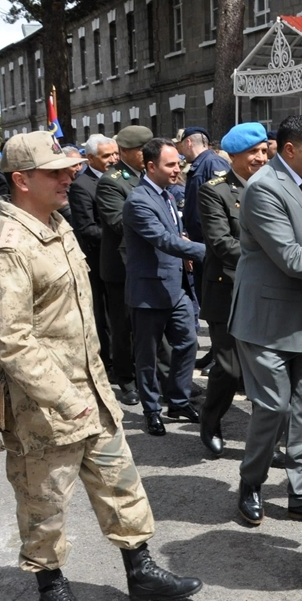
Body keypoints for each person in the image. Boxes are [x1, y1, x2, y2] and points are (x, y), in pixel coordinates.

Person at [0, 131, 201, 601]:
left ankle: (141, 571)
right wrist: (65, 398)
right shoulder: (5, 249)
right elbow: (11, 341)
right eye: (54, 172)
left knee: (121, 483)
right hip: (42, 403)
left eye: (68, 169)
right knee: (44, 499)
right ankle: (50, 584)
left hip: (90, 388)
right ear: (21, 180)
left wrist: (94, 385)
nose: (68, 177)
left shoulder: (56, 225)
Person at [230, 115, 302, 527]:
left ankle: (301, 494)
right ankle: (251, 482)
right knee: (273, 408)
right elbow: (293, 258)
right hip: (267, 321)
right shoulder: (264, 188)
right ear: (291, 149)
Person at [122, 138, 207, 436]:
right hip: (148, 291)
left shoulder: (167, 195)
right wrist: (206, 251)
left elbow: (175, 234)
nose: (176, 169)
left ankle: (178, 401)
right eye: (170, 165)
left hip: (176, 287)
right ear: (150, 166)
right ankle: (151, 410)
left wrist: (186, 249)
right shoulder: (138, 201)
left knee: (188, 343)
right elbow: (163, 240)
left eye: (177, 163)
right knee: (147, 356)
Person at [196, 123, 268, 455]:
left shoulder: (273, 187)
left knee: (266, 369)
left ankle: (265, 441)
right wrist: (274, 258)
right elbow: (222, 243)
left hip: (266, 292)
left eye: (264, 151)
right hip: (228, 290)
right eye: (253, 152)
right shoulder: (215, 191)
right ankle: (210, 419)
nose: (261, 158)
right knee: (229, 369)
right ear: (234, 155)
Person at [97, 126, 154, 407]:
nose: (148, 154)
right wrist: (157, 226)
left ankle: (153, 377)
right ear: (127, 152)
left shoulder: (148, 175)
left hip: (149, 263)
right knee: (123, 328)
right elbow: (119, 222)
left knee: (150, 326)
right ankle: (126, 379)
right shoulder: (112, 181)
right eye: (142, 150)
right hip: (122, 266)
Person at [69, 134, 121, 377]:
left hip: (124, 258)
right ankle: (109, 362)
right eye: (106, 155)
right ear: (90, 159)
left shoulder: (121, 177)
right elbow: (87, 228)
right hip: (99, 258)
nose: (113, 159)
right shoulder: (82, 186)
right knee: (105, 313)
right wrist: (123, 236)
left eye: (115, 153)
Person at [178, 127, 228, 246]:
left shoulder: (213, 163)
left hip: (210, 242)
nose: (182, 152)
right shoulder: (200, 164)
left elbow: (223, 202)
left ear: (189, 143)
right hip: (199, 240)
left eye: (182, 146)